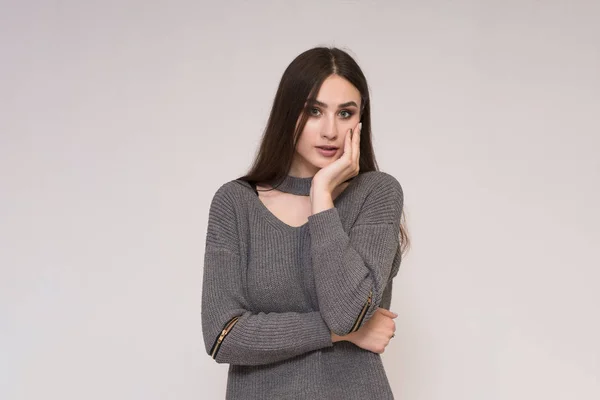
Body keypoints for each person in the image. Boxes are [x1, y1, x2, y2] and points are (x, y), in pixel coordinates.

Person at [201, 46, 410, 399]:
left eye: (345, 113)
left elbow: (348, 313)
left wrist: (321, 195)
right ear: (288, 113)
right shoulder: (236, 203)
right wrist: (338, 334)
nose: (330, 130)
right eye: (314, 111)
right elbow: (223, 336)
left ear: (360, 122)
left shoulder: (377, 194)